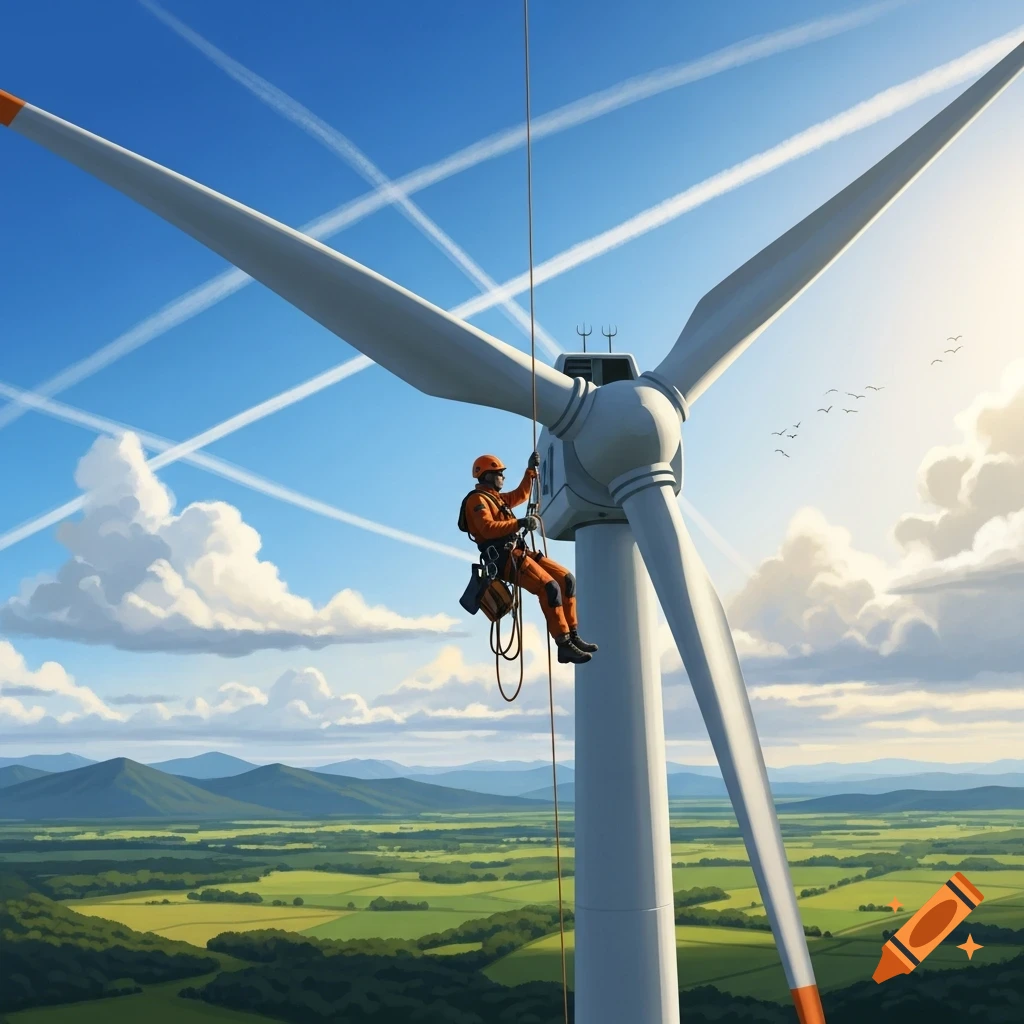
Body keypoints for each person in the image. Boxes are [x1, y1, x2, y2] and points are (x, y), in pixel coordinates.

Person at [460, 452, 598, 665]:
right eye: (499, 474)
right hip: (504, 558)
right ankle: (563, 644)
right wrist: (520, 523)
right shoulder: (477, 501)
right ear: (487, 475)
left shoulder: (498, 499)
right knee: (549, 587)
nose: (502, 478)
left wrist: (530, 471)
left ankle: (572, 635)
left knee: (566, 580)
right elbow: (487, 529)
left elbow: (521, 495)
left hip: (518, 552)